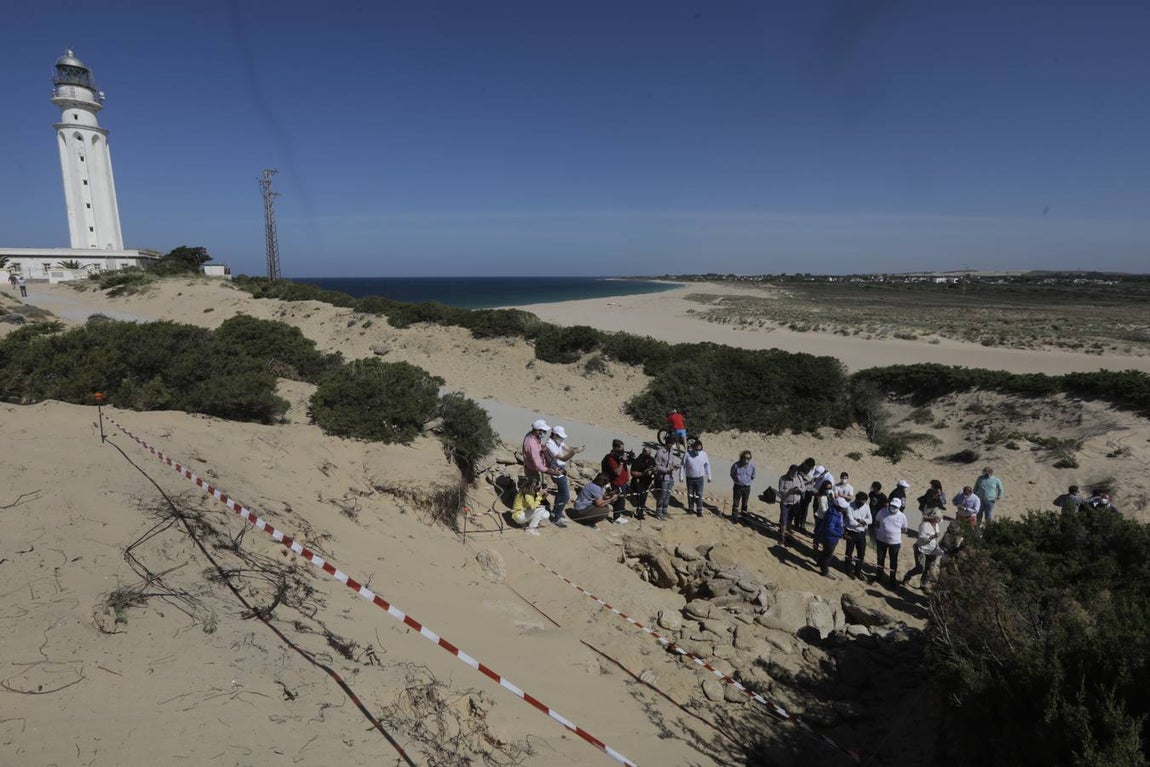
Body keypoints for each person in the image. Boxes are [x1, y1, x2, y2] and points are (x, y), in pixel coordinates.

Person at [544, 425, 583, 528]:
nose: (562, 438)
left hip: (562, 470)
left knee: (560, 493)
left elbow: (569, 448)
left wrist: (577, 449)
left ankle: (555, 512)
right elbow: (564, 457)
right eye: (560, 436)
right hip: (556, 471)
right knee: (565, 496)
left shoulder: (558, 441)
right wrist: (574, 452)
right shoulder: (550, 444)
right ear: (555, 434)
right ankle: (557, 517)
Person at [903, 508, 943, 590]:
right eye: (938, 519)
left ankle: (923, 584)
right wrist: (932, 537)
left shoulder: (937, 525)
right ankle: (907, 576)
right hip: (921, 549)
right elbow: (921, 537)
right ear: (934, 518)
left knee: (929, 569)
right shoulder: (924, 525)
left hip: (932, 551)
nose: (939, 521)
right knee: (920, 568)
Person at [873, 497, 908, 588]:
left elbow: (904, 529)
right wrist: (878, 530)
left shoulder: (902, 516)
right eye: (892, 505)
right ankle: (878, 577)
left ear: (899, 507)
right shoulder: (882, 511)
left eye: (895, 506)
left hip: (895, 543)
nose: (893, 507)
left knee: (893, 561)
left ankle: (892, 580)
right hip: (881, 540)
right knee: (880, 559)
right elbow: (877, 521)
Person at [601, 440, 633, 524]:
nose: (622, 450)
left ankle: (618, 515)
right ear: (615, 447)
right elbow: (617, 472)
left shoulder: (619, 455)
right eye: (621, 448)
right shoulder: (611, 459)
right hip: (617, 482)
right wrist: (622, 462)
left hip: (623, 481)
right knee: (619, 500)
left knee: (622, 499)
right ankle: (616, 518)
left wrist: (628, 458)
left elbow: (628, 463)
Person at [679, 438, 711, 517]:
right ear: (693, 448)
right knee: (690, 494)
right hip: (690, 478)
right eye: (697, 449)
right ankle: (690, 509)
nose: (698, 451)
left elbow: (707, 465)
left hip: (700, 478)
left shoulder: (704, 454)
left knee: (699, 494)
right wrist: (681, 476)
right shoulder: (687, 454)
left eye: (700, 449)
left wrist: (709, 476)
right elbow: (682, 465)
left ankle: (699, 510)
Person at [844, 492, 872, 579]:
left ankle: (858, 571)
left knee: (861, 553)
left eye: (863, 502)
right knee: (849, 552)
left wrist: (861, 521)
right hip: (851, 532)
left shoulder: (866, 507)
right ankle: (848, 570)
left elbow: (870, 520)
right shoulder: (849, 506)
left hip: (861, 533)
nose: (861, 504)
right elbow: (851, 520)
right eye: (860, 502)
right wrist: (860, 523)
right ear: (856, 499)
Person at [817, 497, 847, 577]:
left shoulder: (835, 512)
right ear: (839, 507)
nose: (844, 508)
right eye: (843, 507)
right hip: (830, 538)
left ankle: (820, 563)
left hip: (831, 537)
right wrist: (840, 535)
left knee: (825, 552)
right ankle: (824, 571)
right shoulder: (833, 516)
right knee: (828, 555)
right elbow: (830, 529)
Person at [777, 464, 805, 548]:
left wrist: (799, 489)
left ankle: (787, 536)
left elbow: (803, 488)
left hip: (795, 504)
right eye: (793, 473)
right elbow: (781, 491)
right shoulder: (783, 478)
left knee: (790, 521)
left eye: (796, 473)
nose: (794, 475)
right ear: (789, 471)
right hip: (785, 503)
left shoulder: (799, 478)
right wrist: (790, 490)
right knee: (783, 521)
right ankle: (782, 538)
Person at [653, 436, 679, 520]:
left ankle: (664, 511)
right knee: (662, 496)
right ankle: (658, 512)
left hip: (670, 477)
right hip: (663, 477)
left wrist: (675, 466)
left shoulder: (670, 452)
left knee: (668, 495)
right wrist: (666, 470)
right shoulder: (660, 452)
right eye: (672, 444)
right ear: (668, 443)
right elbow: (656, 466)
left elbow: (672, 461)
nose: (672, 446)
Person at [522, 419, 554, 485]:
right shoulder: (531, 444)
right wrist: (552, 472)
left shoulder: (531, 435)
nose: (545, 432)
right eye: (543, 431)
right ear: (537, 430)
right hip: (532, 470)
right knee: (533, 489)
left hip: (533, 468)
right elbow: (538, 465)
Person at [629, 447, 656, 517]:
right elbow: (633, 472)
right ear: (643, 452)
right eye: (647, 453)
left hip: (647, 482)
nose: (649, 455)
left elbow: (655, 467)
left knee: (644, 498)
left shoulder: (651, 459)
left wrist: (653, 471)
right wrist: (643, 474)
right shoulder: (638, 461)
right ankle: (639, 513)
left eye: (650, 453)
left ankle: (641, 510)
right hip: (639, 482)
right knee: (640, 498)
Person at [730, 450, 756, 521]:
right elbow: (732, 474)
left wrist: (747, 482)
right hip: (737, 486)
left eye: (748, 458)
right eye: (745, 457)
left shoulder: (752, 466)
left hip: (747, 487)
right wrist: (737, 481)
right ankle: (734, 518)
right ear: (742, 457)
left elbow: (753, 476)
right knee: (736, 503)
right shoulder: (736, 465)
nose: (746, 459)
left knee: (745, 503)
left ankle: (744, 518)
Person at [811, 479, 834, 555]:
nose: (828, 490)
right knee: (818, 534)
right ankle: (815, 550)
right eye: (827, 488)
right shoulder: (821, 497)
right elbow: (823, 509)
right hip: (820, 517)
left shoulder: (831, 495)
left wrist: (832, 498)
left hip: (828, 518)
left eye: (830, 488)